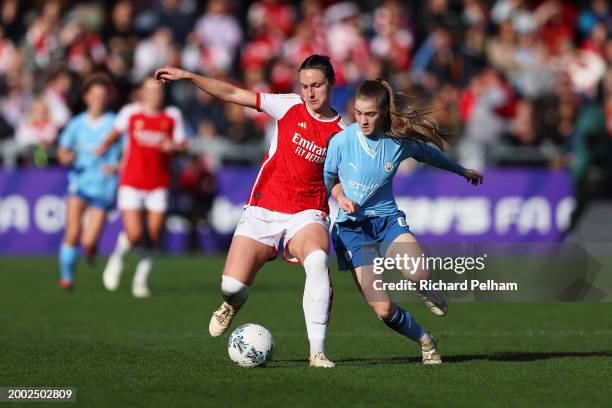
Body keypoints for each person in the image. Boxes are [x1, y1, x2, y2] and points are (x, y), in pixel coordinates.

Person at [155, 55, 345, 368]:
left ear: (332, 85)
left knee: (318, 260)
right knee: (232, 286)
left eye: (317, 85)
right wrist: (189, 75)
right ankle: (232, 304)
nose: (310, 93)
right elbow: (232, 94)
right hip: (264, 207)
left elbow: (340, 178)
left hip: (307, 212)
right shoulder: (288, 105)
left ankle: (317, 352)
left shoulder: (343, 131)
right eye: (305, 85)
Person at [323, 79, 483, 364]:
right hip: (353, 230)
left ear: (383, 111)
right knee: (383, 309)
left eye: (369, 114)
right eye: (358, 113)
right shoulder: (341, 141)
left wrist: (461, 171)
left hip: (387, 221)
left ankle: (425, 289)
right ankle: (425, 340)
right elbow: (330, 179)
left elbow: (428, 154)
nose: (362, 120)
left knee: (419, 272)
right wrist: (341, 197)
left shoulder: (397, 142)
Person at [97, 77, 187, 298]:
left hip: (158, 183)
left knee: (154, 235)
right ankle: (117, 259)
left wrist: (173, 146)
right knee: (135, 234)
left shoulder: (172, 115)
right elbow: (113, 137)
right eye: (150, 91)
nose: (154, 95)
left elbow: (183, 145)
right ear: (142, 93)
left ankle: (141, 279)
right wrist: (103, 155)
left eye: (158, 91)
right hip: (131, 181)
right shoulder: (130, 113)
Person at [56, 75, 120, 290]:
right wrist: (66, 157)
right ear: (86, 98)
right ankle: (67, 278)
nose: (98, 100)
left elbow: (129, 152)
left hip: (103, 186)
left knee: (89, 241)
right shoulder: (77, 123)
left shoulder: (115, 123)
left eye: (102, 96)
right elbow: (63, 150)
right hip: (80, 183)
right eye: (94, 96)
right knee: (72, 231)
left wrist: (117, 166)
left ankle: (91, 251)